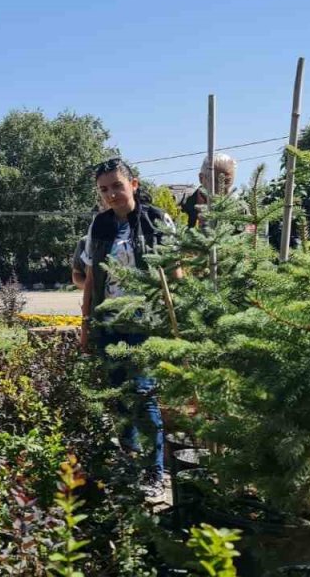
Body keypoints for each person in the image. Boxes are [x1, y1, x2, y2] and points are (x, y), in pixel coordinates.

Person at [79, 157, 174, 489]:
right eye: (104, 189)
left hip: (143, 322)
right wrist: (86, 322)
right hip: (109, 319)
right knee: (118, 394)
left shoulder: (156, 220)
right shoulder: (100, 225)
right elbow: (91, 277)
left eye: (117, 186)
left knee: (142, 392)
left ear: (133, 184)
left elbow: (174, 273)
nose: (111, 194)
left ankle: (155, 471)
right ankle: (129, 460)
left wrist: (174, 318)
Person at [180, 153, 237, 228]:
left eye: (227, 181)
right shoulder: (183, 208)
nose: (221, 188)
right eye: (215, 181)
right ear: (201, 178)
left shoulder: (240, 210)